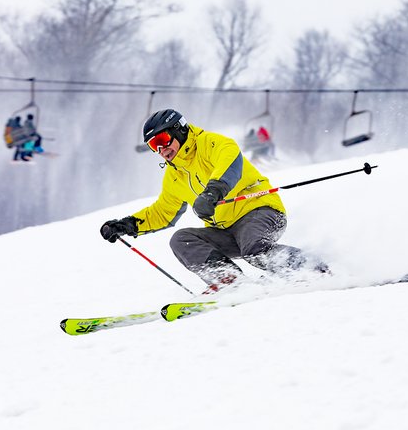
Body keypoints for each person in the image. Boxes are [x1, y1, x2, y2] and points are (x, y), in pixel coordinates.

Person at [100, 108, 328, 293]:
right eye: (153, 146)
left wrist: (212, 193)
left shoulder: (211, 143)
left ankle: (314, 269)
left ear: (178, 130)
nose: (161, 150)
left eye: (162, 140)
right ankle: (231, 282)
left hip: (260, 211)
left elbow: (230, 163)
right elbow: (162, 212)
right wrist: (127, 225)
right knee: (181, 240)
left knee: (254, 249)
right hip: (226, 231)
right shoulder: (174, 175)